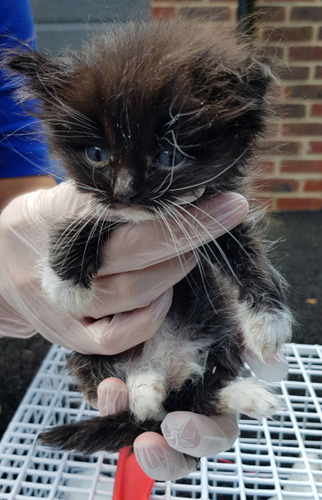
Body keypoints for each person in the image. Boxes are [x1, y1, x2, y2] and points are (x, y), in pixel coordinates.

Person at [0, 0, 288, 481]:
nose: (124, 190)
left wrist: (260, 297)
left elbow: (13, 169)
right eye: (96, 154)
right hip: (125, 359)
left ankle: (207, 394)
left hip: (186, 338)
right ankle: (142, 389)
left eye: (168, 159)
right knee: (103, 349)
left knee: (217, 328)